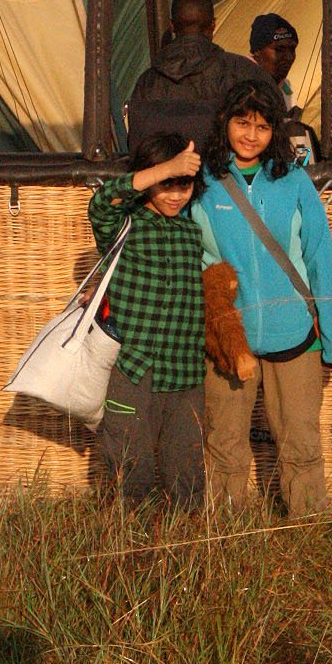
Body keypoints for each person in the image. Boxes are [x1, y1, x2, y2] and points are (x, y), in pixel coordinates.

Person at [194, 78, 332, 515]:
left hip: (295, 336)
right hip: (231, 341)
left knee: (301, 445)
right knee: (225, 445)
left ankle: (307, 536)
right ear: (225, 123)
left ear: (276, 134)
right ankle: (225, 540)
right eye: (242, 123)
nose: (250, 135)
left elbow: (322, 261)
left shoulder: (294, 182)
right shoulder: (203, 183)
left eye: (263, 127)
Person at [87, 131, 208, 506]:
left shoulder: (192, 233)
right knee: (129, 467)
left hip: (186, 373)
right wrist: (165, 168)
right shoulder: (125, 225)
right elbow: (101, 203)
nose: (175, 194)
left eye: (183, 185)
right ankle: (125, 546)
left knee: (187, 471)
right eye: (165, 184)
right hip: (134, 368)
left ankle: (185, 548)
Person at [126, 0, 261, 154]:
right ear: (213, 24)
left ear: (172, 26)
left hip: (165, 177)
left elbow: (137, 144)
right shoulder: (244, 72)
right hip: (226, 176)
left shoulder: (147, 81)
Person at [248, 13, 299, 106]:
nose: (289, 57)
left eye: (292, 49)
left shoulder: (285, 86)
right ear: (257, 52)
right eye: (279, 49)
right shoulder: (238, 81)